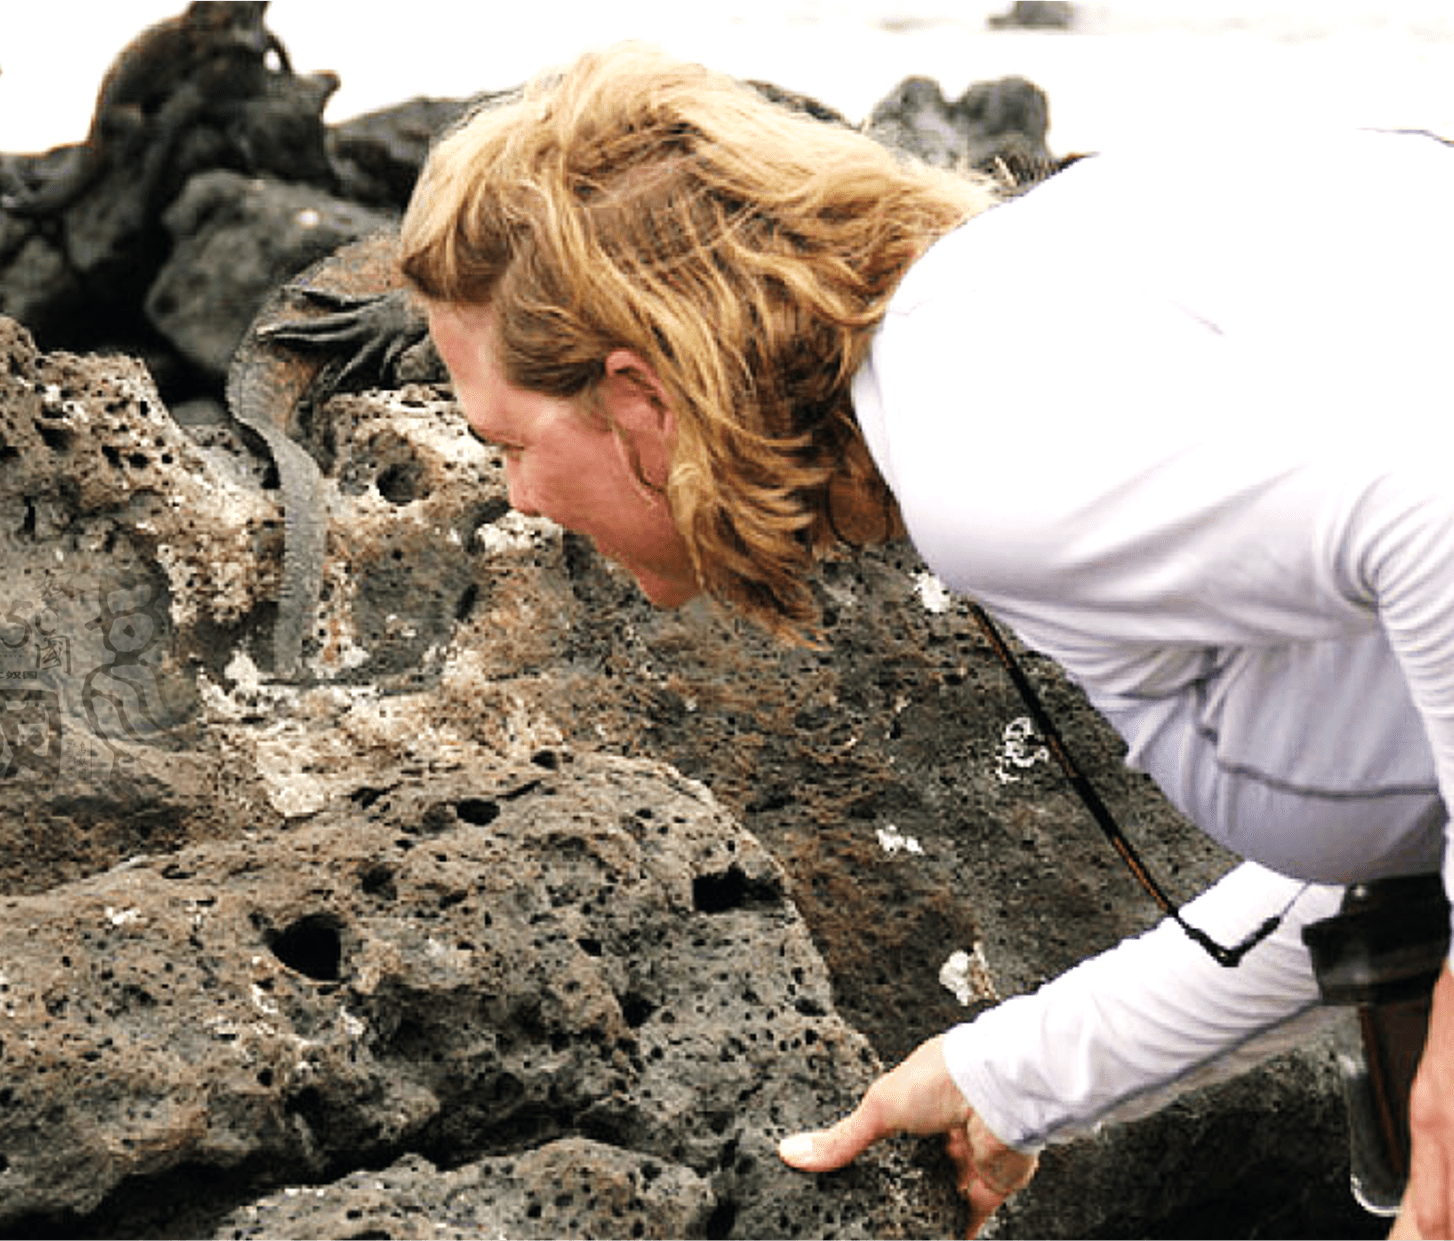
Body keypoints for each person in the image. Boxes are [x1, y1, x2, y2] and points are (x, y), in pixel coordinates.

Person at [395, 41, 1454, 1240]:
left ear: (641, 397)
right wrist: (1013, 1072)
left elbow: (1436, 525)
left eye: (506, 444)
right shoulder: (1011, 323)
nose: (519, 501)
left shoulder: (981, 449)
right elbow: (1407, 798)